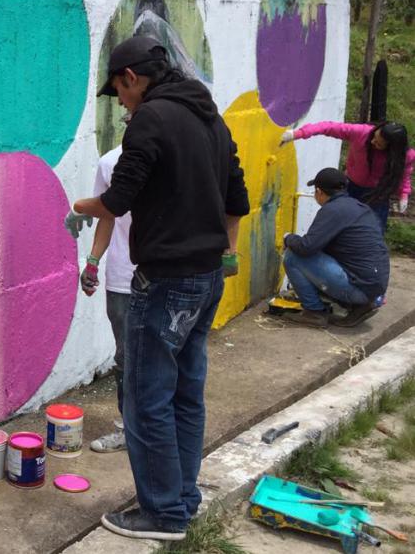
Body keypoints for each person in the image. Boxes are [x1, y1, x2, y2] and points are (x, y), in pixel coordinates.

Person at [70, 35, 250, 541]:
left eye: (119, 92)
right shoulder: (208, 116)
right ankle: (182, 498)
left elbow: (119, 197)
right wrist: (226, 252)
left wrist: (79, 207)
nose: (122, 103)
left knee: (147, 397)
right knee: (186, 393)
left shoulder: (152, 117)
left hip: (168, 280)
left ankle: (162, 513)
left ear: (131, 77)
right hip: (208, 275)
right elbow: (237, 196)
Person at [79, 141, 136, 454]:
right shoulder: (110, 163)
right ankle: (131, 429)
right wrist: (92, 262)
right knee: (125, 357)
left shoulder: (173, 150)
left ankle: (154, 429)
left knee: (162, 358)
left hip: (162, 274)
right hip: (122, 277)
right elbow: (107, 216)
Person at [282, 168, 390, 328]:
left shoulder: (332, 210)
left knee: (293, 256)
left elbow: (306, 247)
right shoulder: (359, 207)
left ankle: (314, 312)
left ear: (318, 191)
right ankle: (359, 306)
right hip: (375, 287)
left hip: (360, 288)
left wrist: (288, 238)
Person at [282, 121, 413, 232]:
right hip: (350, 187)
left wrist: (404, 194)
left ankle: (369, 258)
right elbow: (328, 127)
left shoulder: (405, 156)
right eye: (374, 136)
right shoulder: (361, 133)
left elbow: (403, 174)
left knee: (373, 230)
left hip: (377, 194)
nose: (372, 141)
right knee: (338, 225)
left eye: (378, 143)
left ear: (391, 148)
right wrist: (297, 134)